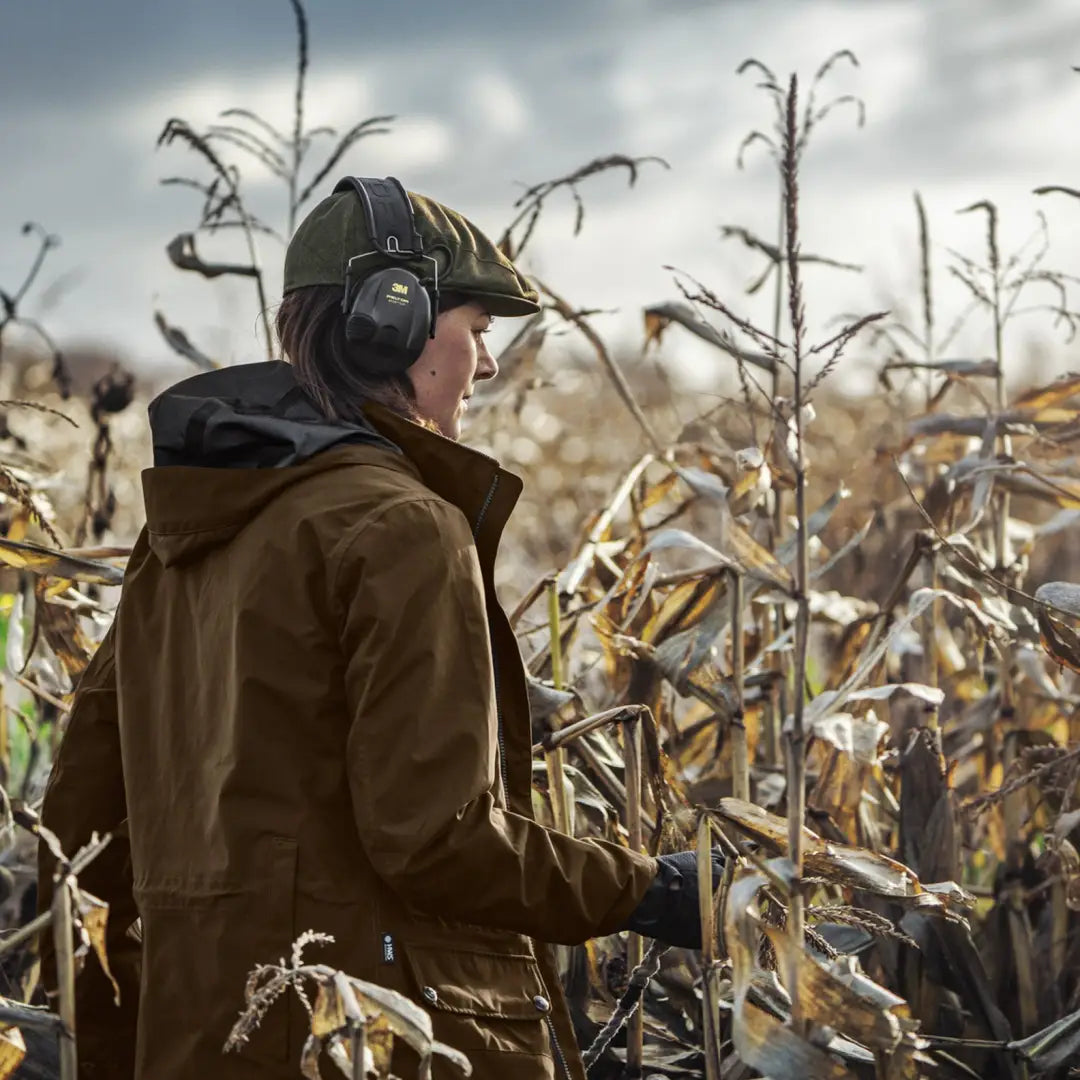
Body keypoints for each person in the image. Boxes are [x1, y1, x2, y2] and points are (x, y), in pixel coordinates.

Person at [38, 177, 722, 1080]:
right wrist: (648, 890)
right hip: (368, 1042)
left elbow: (79, 833)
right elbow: (438, 839)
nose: (484, 365)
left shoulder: (182, 541)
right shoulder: (400, 526)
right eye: (475, 329)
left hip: (200, 1040)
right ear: (387, 324)